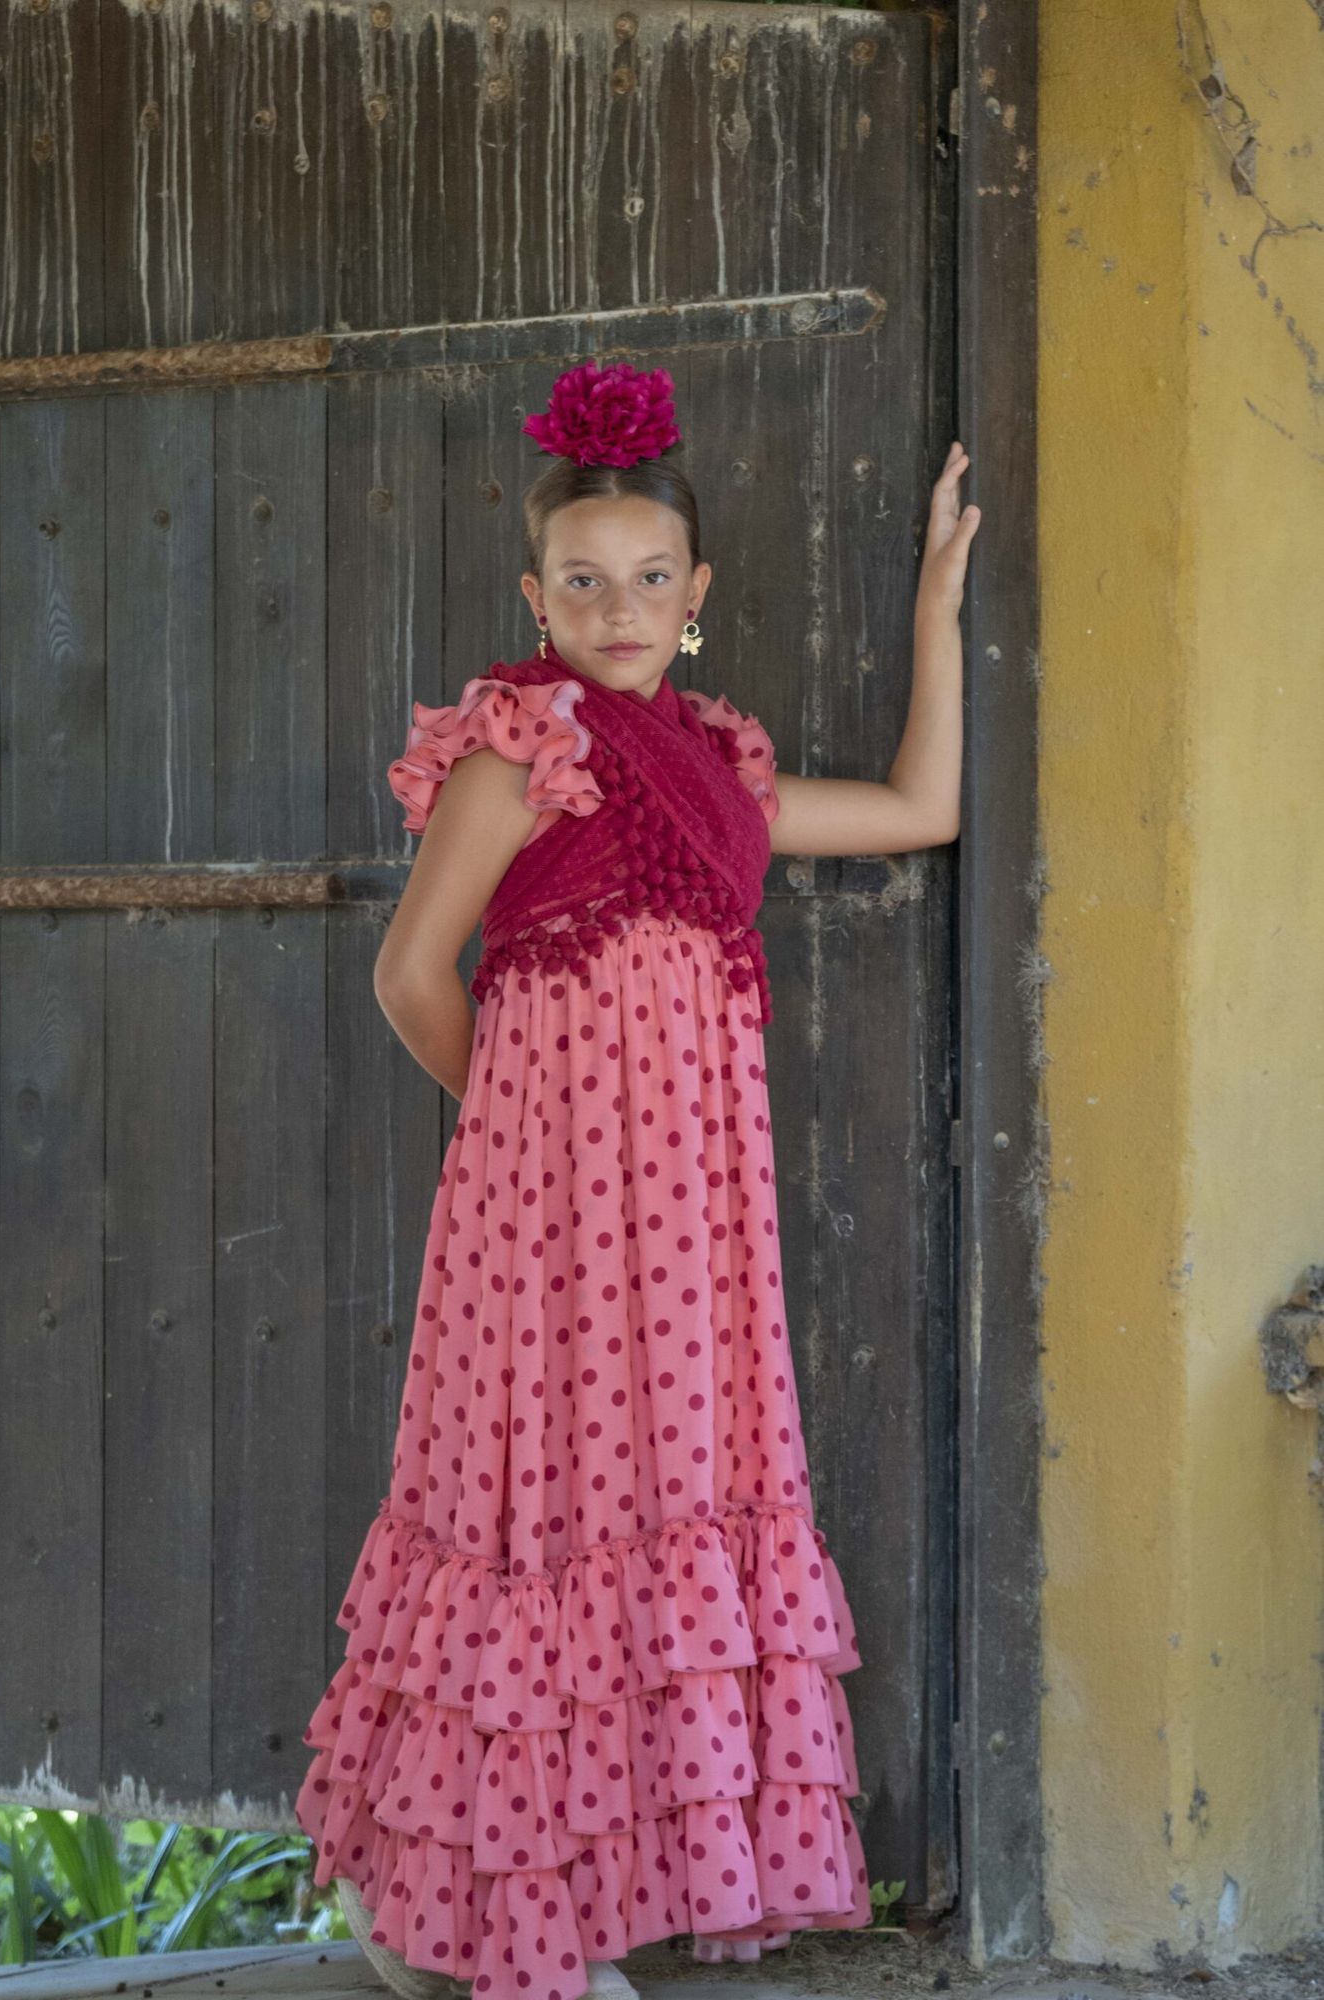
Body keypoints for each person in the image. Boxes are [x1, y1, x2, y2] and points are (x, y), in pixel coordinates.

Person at [293, 359, 978, 2000]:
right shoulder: (515, 753)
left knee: (654, 1508)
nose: (618, 609)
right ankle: (461, 1920)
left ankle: (547, 1910)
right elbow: (409, 974)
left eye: (649, 579)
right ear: (536, 598)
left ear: (695, 594)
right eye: (584, 582)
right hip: (546, 1216)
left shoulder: (720, 765)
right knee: (532, 1515)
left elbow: (920, 809)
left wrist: (936, 602)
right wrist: (525, 1143)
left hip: (689, 1228)